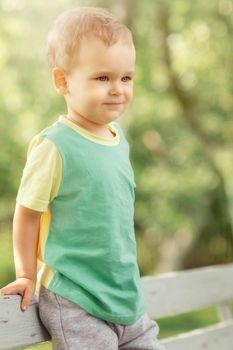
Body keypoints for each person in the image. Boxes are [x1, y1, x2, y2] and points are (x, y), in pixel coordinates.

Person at [0, 7, 164, 350]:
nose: (117, 89)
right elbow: (26, 214)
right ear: (62, 81)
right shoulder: (54, 146)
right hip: (76, 299)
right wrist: (26, 275)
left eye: (126, 78)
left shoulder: (118, 139)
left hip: (125, 299)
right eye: (102, 77)